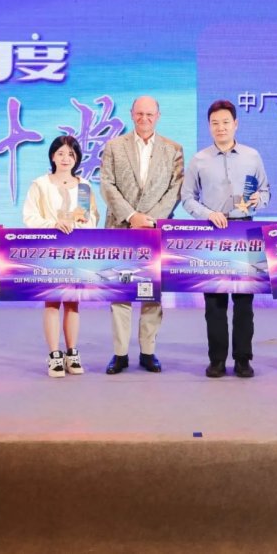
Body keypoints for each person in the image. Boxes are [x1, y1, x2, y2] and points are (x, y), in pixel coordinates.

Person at [182, 99, 270, 379]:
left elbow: (265, 192)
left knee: (244, 302)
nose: (220, 127)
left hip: (245, 231)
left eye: (225, 122)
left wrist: (258, 201)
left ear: (236, 124)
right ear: (209, 126)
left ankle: (243, 359)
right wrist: (208, 214)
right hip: (213, 234)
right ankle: (217, 359)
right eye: (215, 123)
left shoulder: (252, 156)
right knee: (214, 303)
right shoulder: (199, 159)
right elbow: (187, 198)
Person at [100, 96, 183, 374]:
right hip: (120, 228)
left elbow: (175, 190)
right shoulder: (114, 146)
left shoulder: (173, 149)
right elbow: (107, 185)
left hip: (155, 230)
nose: (144, 118)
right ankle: (120, 354)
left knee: (152, 294)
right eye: (139, 114)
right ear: (131, 114)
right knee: (120, 293)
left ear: (158, 116)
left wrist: (149, 220)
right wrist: (131, 216)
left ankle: (148, 352)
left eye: (149, 114)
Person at [23, 135, 99, 378]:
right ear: (52, 156)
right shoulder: (40, 184)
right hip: (49, 250)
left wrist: (80, 223)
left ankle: (72, 352)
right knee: (52, 301)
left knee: (73, 302)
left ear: (77, 159)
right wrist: (53, 224)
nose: (66, 159)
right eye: (61, 153)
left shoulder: (84, 186)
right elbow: (30, 217)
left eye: (71, 154)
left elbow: (93, 218)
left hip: (76, 251)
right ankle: (54, 355)